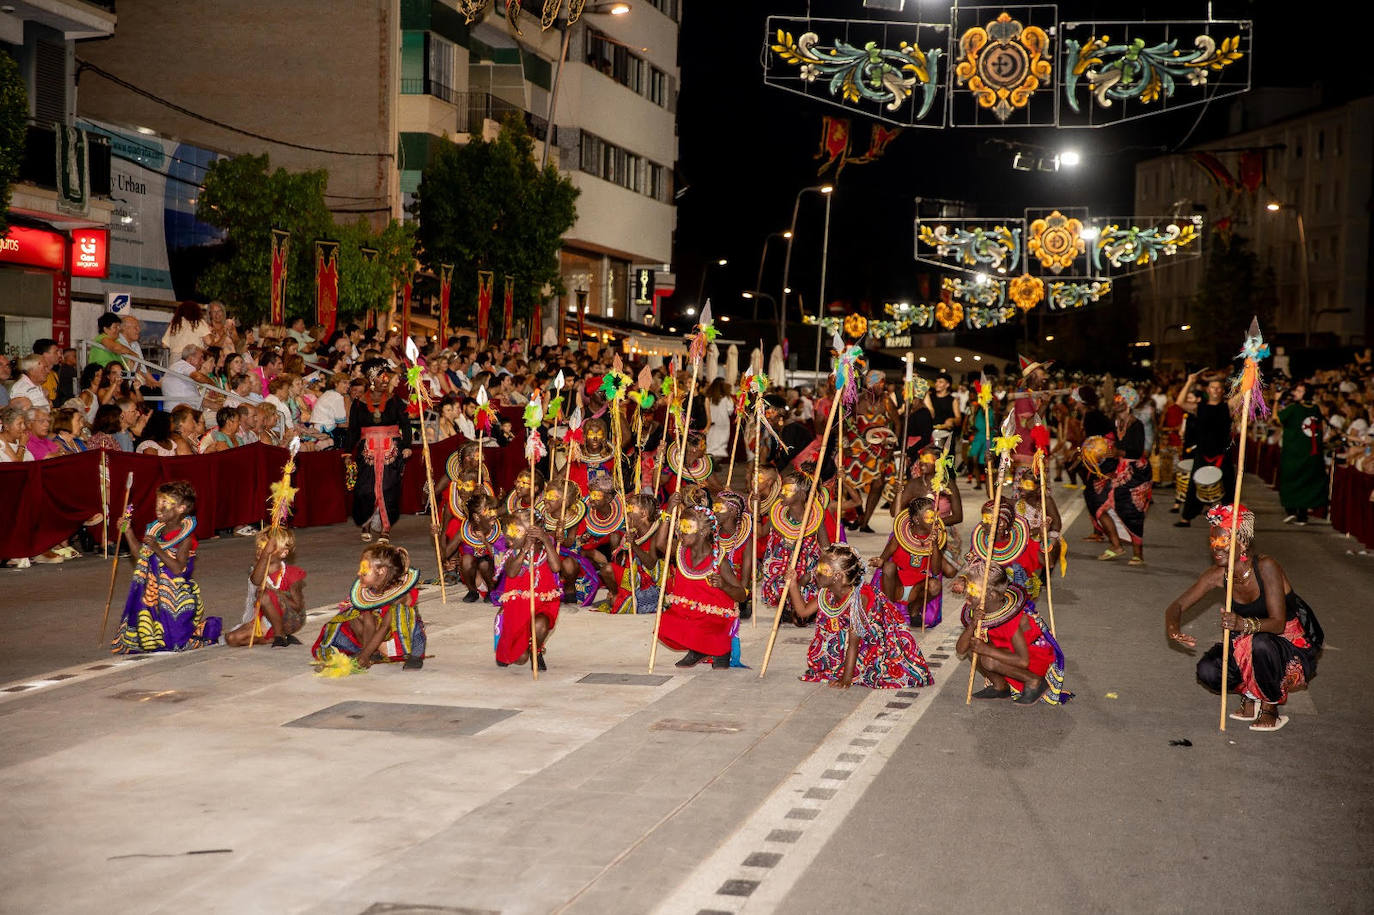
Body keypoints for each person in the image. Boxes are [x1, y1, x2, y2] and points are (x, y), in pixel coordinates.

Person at [1164, 504, 1322, 732]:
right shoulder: (1217, 576)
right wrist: (1173, 627)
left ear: (1243, 544)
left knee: (1260, 643)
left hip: (1288, 647)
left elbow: (1277, 624)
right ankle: (1250, 693)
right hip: (1248, 645)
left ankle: (1270, 706)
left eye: (1224, 543)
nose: (1216, 549)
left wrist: (1242, 624)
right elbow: (1177, 605)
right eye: (1213, 543)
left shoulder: (1267, 567)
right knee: (1208, 670)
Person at [789, 543, 933, 689]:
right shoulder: (828, 592)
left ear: (837, 576)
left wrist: (846, 679)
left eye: (822, 569)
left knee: (882, 670)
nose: (816, 572)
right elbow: (803, 612)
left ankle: (852, 670)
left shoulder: (859, 599)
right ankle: (845, 666)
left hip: (875, 644)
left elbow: (853, 644)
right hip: (854, 643)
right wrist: (793, 585)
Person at [111, 480, 222, 653]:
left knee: (176, 643)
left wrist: (156, 548)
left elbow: (178, 569)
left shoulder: (186, 537)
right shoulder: (156, 531)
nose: (158, 508)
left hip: (175, 598)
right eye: (158, 503)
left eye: (165, 504)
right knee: (149, 639)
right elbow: (141, 556)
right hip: (153, 594)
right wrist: (128, 531)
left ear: (181, 509)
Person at [953, 560, 1070, 705]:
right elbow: (960, 649)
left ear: (991, 596)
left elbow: (1023, 660)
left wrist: (986, 649)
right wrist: (972, 625)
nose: (967, 595)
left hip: (1033, 660)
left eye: (972, 590)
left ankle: (1034, 681)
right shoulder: (978, 611)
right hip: (1008, 654)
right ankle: (1000, 686)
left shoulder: (1012, 620)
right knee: (973, 645)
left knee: (988, 658)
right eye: (967, 589)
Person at [657, 501, 748, 668]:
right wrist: (668, 511)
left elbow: (742, 595)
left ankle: (718, 649)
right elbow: (661, 543)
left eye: (686, 528)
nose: (680, 533)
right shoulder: (680, 551)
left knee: (717, 655)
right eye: (680, 527)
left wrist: (723, 586)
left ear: (703, 532)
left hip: (714, 622)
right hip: (690, 616)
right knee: (663, 624)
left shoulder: (719, 561)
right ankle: (698, 648)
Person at [312, 542, 426, 670]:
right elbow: (368, 621)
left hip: (399, 641)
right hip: (378, 642)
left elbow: (384, 628)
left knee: (399, 612)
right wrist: (366, 653)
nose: (359, 573)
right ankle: (371, 652)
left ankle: (415, 655)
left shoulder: (401, 596)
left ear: (382, 571)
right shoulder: (371, 590)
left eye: (364, 571)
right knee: (355, 612)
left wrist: (364, 657)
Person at [347, 359, 412, 541]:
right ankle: (366, 524)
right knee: (365, 489)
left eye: (387, 377)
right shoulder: (359, 403)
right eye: (382, 376)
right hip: (367, 450)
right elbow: (352, 430)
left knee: (388, 488)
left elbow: (406, 425)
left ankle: (385, 528)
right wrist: (347, 452)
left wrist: (406, 446)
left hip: (391, 450)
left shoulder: (395, 400)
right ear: (372, 379)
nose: (386, 380)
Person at [874, 497, 959, 628]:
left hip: (917, 589)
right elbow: (883, 559)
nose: (935, 520)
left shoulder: (937, 538)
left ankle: (914, 609)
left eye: (935, 515)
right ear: (916, 520)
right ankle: (889, 611)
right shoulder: (901, 536)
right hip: (897, 587)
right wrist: (878, 561)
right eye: (929, 517)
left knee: (935, 585)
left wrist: (935, 544)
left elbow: (936, 571)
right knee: (889, 567)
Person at [494, 509, 562, 670]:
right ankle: (510, 642)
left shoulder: (546, 545)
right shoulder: (513, 551)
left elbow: (556, 567)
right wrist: (524, 549)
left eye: (516, 530)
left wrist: (545, 539)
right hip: (519, 607)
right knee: (519, 659)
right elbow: (511, 572)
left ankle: (536, 650)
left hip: (543, 602)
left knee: (541, 624)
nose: (510, 535)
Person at [1092, 385, 1152, 564]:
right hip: (1120, 471)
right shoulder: (1117, 423)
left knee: (1131, 512)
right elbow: (1111, 445)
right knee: (1100, 509)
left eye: (1120, 400)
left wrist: (1117, 452)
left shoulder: (1136, 424)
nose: (1116, 402)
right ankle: (1116, 545)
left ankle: (1138, 555)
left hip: (1136, 473)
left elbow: (1136, 450)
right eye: (1116, 399)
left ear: (1128, 403)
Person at [225, 528, 306, 647]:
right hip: (264, 620)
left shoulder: (292, 574)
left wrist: (277, 593)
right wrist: (265, 555)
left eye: (266, 547)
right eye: (259, 547)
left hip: (289, 619)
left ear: (283, 553)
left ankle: (280, 635)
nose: (260, 550)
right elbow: (256, 580)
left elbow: (297, 607)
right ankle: (270, 639)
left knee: (264, 596)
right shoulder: (258, 571)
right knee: (231, 638)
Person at [1175, 370, 1234, 527]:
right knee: (1194, 484)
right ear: (1208, 390)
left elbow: (1243, 396)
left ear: (1222, 391)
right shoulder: (1199, 407)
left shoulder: (1227, 406)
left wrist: (1249, 376)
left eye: (1218, 388)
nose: (1215, 390)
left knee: (1228, 486)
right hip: (1202, 451)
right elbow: (1179, 402)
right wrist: (1189, 382)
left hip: (1222, 452)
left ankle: (1229, 519)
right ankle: (1186, 517)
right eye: (1212, 387)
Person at [1277, 382, 1327, 525]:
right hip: (1312, 454)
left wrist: (1276, 400)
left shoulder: (1294, 408)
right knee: (1307, 483)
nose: (1295, 393)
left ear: (1306, 393)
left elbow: (1276, 419)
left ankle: (1292, 510)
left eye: (1299, 391)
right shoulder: (1316, 409)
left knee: (1291, 481)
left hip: (1294, 454)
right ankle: (1302, 514)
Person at [162, 345, 212, 411]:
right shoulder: (182, 365)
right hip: (181, 413)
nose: (203, 361)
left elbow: (198, 400)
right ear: (191, 358)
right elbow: (198, 377)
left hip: (187, 411)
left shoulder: (182, 369)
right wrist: (213, 385)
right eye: (201, 358)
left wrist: (220, 406)